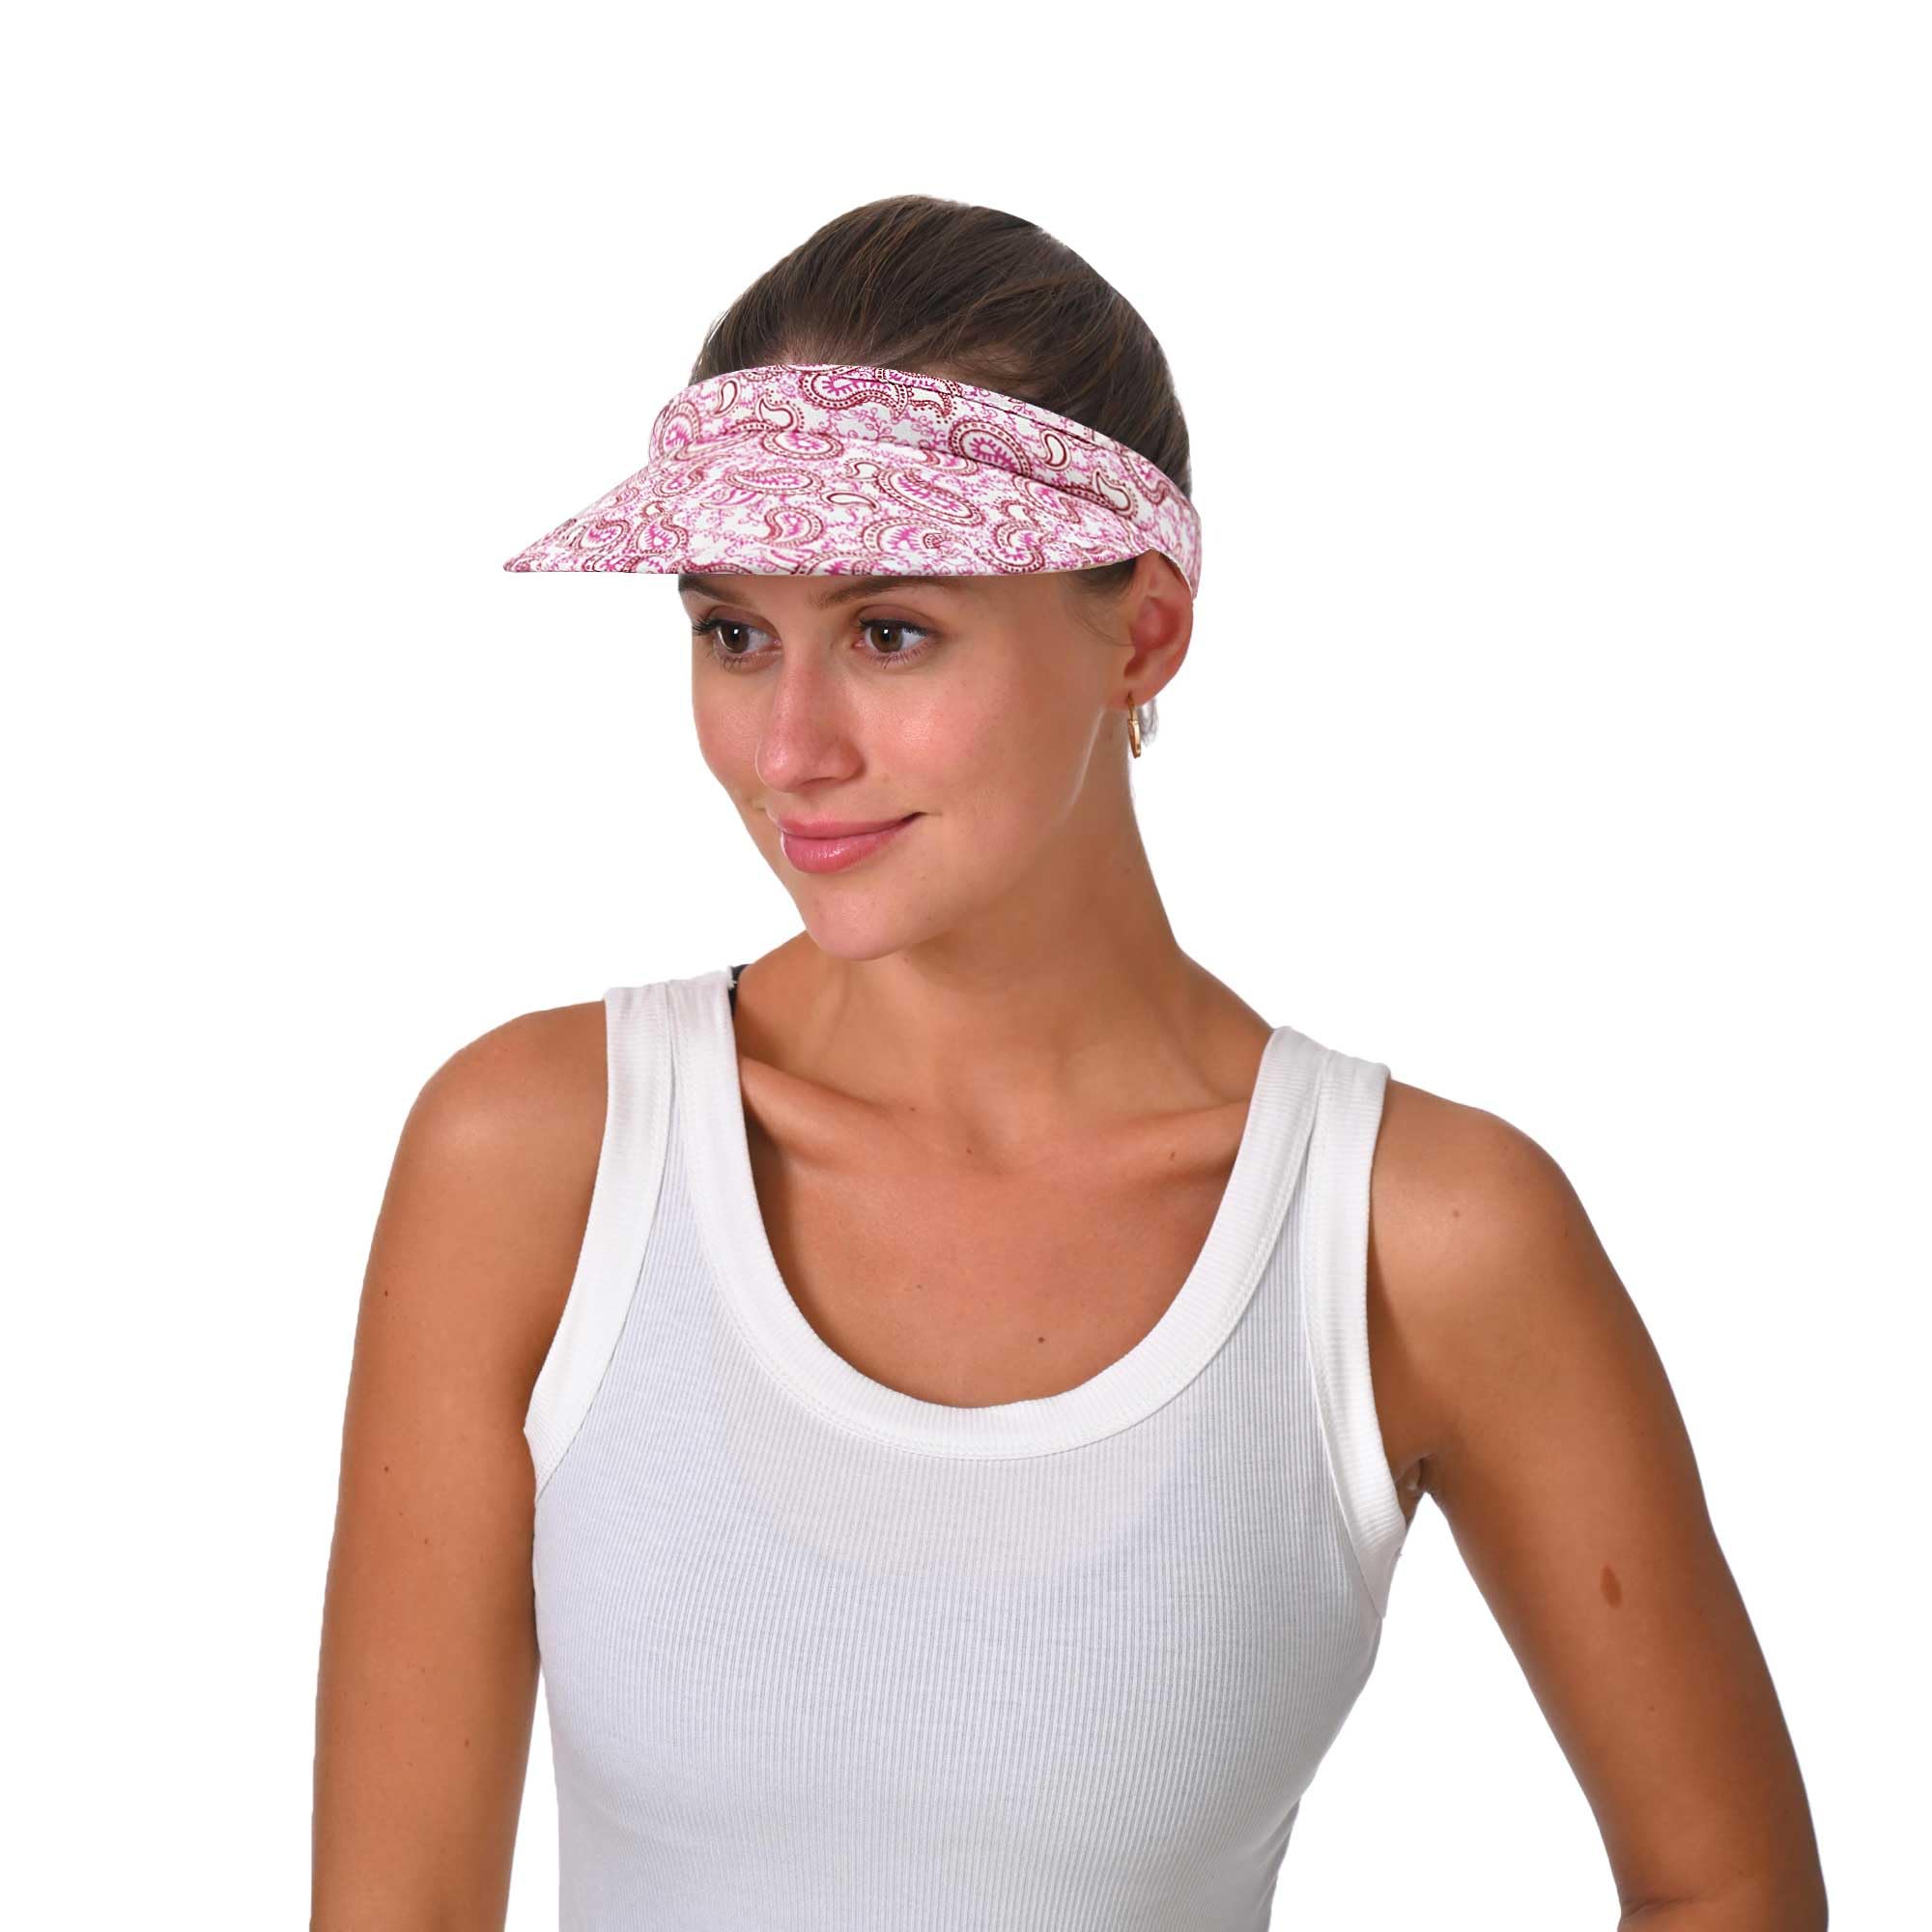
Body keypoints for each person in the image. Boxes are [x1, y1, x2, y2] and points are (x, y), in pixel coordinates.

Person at [311, 195, 1827, 1930]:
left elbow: (1729, 1889)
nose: (789, 747)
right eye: (733, 632)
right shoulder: (540, 1159)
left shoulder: (1414, 1236)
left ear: (1145, 631)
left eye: (890, 631)